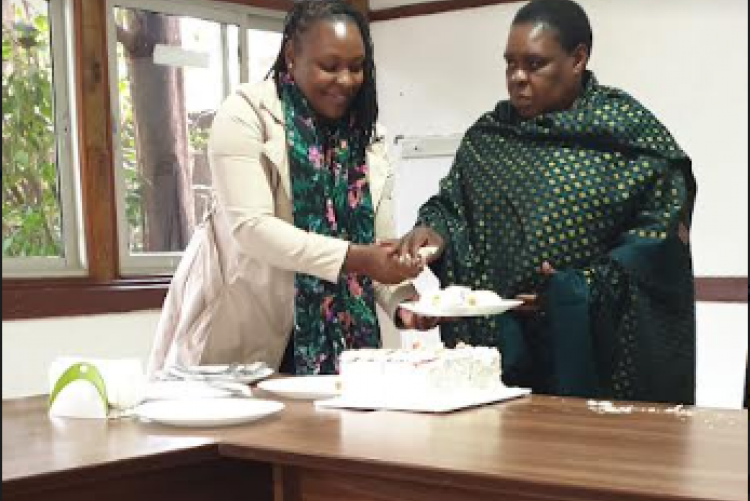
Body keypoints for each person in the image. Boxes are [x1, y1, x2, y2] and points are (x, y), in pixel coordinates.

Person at [395, 0, 697, 404]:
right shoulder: (489, 139)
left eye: (534, 64)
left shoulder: (626, 136)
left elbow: (656, 248)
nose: (517, 78)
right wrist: (432, 231)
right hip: (500, 363)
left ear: (577, 58)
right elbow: (452, 208)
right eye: (510, 64)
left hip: (592, 367)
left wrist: (577, 290)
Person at [148, 0, 436, 378]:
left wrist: (404, 305)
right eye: (329, 66)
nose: (346, 80)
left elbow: (377, 247)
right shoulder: (246, 114)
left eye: (356, 66)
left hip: (343, 353)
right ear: (291, 56)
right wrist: (358, 258)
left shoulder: (369, 137)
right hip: (247, 334)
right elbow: (252, 229)